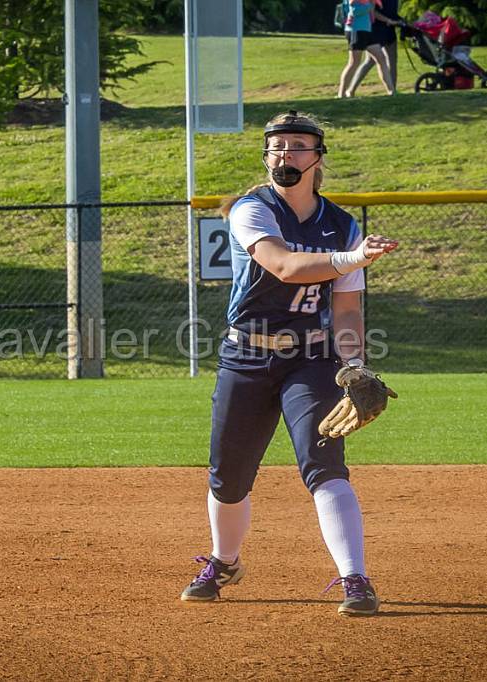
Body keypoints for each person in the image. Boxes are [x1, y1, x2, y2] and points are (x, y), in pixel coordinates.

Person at [179, 111, 399, 616]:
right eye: (276, 146)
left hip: (311, 356)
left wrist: (355, 365)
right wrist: (353, 258)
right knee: (228, 476)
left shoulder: (342, 225)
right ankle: (224, 561)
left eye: (298, 146)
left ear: (318, 158)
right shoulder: (250, 210)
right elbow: (283, 265)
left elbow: (345, 310)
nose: (285, 154)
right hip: (246, 354)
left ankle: (355, 580)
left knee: (324, 463)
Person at [337, 0, 396, 97]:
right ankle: (341, 94)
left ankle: (392, 92)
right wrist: (371, 4)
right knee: (354, 63)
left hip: (367, 30)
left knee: (381, 58)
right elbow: (355, 11)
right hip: (356, 30)